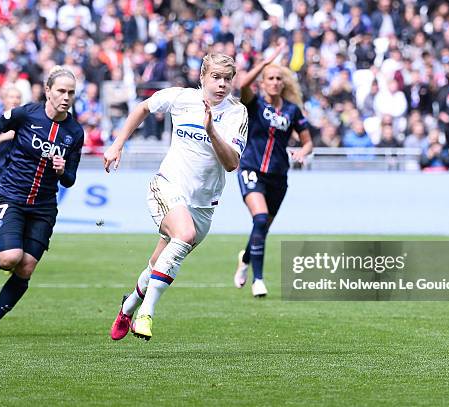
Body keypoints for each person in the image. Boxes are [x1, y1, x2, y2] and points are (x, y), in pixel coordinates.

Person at [105, 53, 248, 341]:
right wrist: (118, 144)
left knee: (158, 262)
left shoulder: (237, 113)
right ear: (203, 78)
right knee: (183, 234)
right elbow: (143, 107)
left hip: (203, 206)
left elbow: (231, 163)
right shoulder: (181, 98)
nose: (221, 84)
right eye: (216, 77)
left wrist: (211, 130)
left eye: (227, 79)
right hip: (167, 186)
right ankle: (146, 312)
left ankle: (128, 305)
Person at [0, 66, 84, 339]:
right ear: (47, 91)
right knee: (11, 257)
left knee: (26, 266)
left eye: (71, 92)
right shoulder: (26, 114)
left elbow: (70, 179)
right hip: (11, 196)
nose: (66, 97)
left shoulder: (75, 132)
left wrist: (62, 171)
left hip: (44, 207)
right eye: (60, 90)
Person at [233, 45, 313, 297]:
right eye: (271, 78)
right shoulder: (253, 103)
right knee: (259, 219)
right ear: (263, 82)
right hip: (251, 168)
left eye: (279, 78)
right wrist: (265, 61)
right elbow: (242, 82)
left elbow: (308, 140)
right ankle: (258, 279)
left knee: (263, 227)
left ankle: (244, 258)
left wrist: (303, 151)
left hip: (278, 176)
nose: (276, 82)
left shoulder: (292, 110)